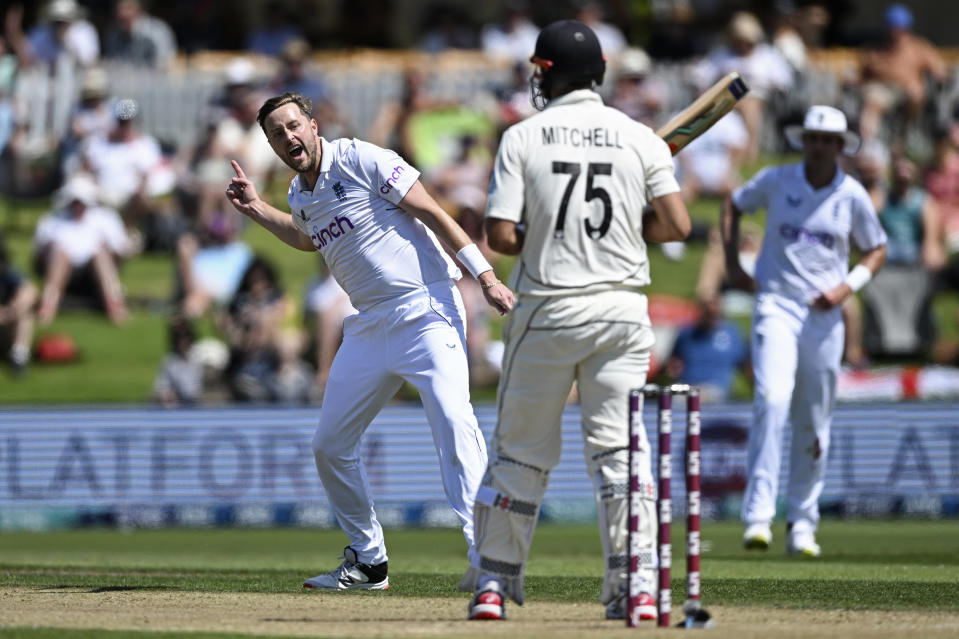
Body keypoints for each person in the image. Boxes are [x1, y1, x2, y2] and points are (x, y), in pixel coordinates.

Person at [225, 92, 514, 590]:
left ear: (314, 125)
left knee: (451, 419)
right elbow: (306, 236)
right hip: (368, 325)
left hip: (427, 309)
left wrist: (485, 276)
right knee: (329, 445)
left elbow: (435, 213)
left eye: (294, 126)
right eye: (277, 134)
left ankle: (488, 556)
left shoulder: (361, 157)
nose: (289, 138)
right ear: (271, 146)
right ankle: (368, 561)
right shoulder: (299, 194)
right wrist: (255, 208)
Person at [460, 20, 691, 622]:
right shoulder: (640, 137)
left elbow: (501, 236)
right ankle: (637, 586)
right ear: (601, 75)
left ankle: (494, 583)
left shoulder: (522, 137)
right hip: (621, 311)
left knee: (520, 452)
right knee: (620, 453)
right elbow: (677, 226)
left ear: (544, 73)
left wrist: (551, 226)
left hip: (549, 307)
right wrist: (621, 227)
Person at [721, 105, 887, 557]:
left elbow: (876, 249)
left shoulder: (851, 194)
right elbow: (732, 206)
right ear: (804, 140)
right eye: (812, 138)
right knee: (771, 399)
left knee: (813, 421)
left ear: (839, 146)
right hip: (776, 304)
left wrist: (846, 287)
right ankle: (758, 517)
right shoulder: (777, 180)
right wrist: (735, 264)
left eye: (827, 140)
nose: (818, 146)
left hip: (824, 316)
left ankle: (802, 523)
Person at [33, 173, 134, 325]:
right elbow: (37, 257)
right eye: (75, 201)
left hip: (95, 272)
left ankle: (115, 305)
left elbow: (120, 252)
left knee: (100, 254)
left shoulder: (106, 218)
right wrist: (51, 251)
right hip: (61, 270)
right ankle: (48, 306)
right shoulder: (51, 221)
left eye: (81, 201)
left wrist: (108, 249)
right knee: (60, 254)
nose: (78, 205)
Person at [666, 294, 750, 402]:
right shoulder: (686, 333)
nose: (711, 313)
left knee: (698, 397)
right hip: (686, 387)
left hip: (715, 390)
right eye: (707, 311)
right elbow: (673, 362)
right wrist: (673, 369)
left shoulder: (731, 334)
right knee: (671, 397)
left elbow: (745, 365)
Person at [0, 231, 37, 376]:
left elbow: (30, 292)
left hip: (6, 326)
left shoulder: (9, 274)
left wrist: (10, 311)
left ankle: (19, 356)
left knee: (26, 313)